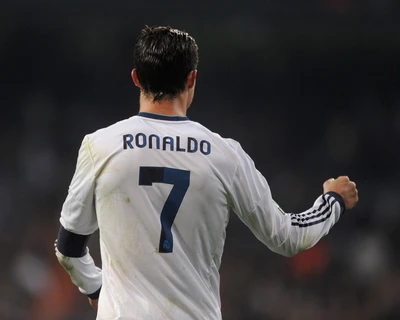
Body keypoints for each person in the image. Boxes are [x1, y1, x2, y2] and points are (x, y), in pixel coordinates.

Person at [55, 26, 358, 320]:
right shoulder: (224, 155)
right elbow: (288, 237)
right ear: (192, 79)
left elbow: (68, 248)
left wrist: (96, 290)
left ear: (136, 78)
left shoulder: (101, 146)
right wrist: (332, 201)